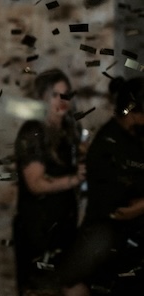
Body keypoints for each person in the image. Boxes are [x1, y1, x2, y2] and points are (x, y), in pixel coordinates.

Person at [58, 76, 144, 295]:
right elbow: (120, 209)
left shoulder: (136, 136)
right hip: (108, 240)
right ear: (134, 113)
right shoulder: (108, 145)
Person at [12, 68, 87, 296]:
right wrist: (74, 179)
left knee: (75, 286)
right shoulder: (33, 130)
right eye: (55, 94)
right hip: (39, 229)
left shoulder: (68, 130)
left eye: (66, 94)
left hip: (64, 227)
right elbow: (36, 184)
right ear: (42, 97)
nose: (62, 100)